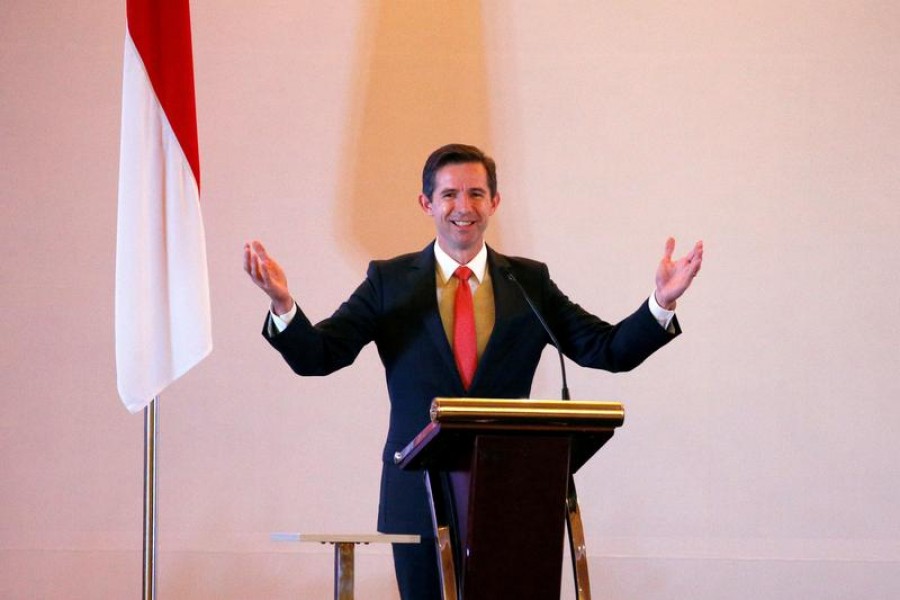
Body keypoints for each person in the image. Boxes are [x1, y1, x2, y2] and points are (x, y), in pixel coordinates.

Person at [244, 143, 703, 599]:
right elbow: (321, 355)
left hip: (510, 495)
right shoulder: (390, 281)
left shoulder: (528, 281)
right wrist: (283, 305)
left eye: (476, 194)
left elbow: (607, 349)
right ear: (427, 204)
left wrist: (661, 302)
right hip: (417, 501)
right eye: (449, 195)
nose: (463, 207)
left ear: (494, 203)